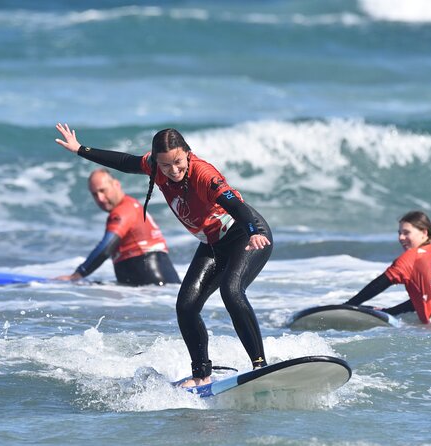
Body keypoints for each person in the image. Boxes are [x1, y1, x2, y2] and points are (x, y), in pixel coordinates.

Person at [55, 123, 272, 387]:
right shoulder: (154, 167)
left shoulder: (205, 174)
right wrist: (81, 149)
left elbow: (235, 205)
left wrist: (253, 231)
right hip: (213, 243)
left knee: (231, 290)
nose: (174, 170)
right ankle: (202, 374)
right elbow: (125, 161)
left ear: (188, 153)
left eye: (179, 162)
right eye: (166, 165)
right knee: (186, 306)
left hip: (246, 236)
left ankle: (260, 365)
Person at [55, 168, 180, 286]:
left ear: (116, 184)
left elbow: (106, 247)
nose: (100, 198)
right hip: (158, 282)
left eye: (103, 190)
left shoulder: (123, 210)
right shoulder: (132, 205)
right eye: (95, 194)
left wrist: (77, 275)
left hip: (151, 281)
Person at [344, 210, 431, 324]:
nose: (400, 238)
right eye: (399, 233)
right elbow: (425, 299)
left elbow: (379, 284)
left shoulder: (411, 257)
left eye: (406, 233)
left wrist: (348, 307)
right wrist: (390, 311)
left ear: (424, 233)